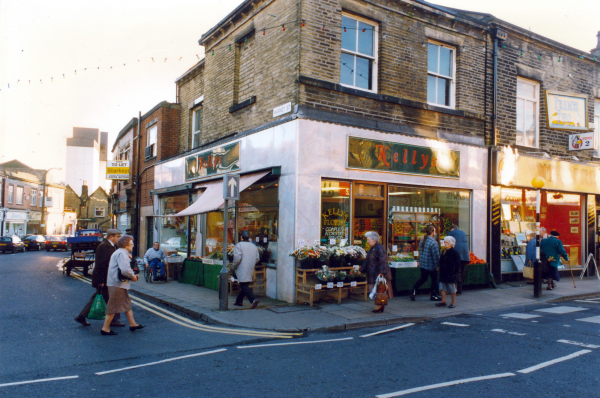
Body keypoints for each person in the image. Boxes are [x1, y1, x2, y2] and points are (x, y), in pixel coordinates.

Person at [74, 229, 124, 327]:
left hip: (109, 277)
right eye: (118, 236)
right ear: (111, 237)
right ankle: (113, 320)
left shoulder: (113, 246)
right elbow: (101, 264)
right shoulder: (103, 247)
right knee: (111, 298)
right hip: (104, 278)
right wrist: (101, 280)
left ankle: (81, 317)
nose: (119, 238)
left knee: (103, 297)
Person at [101, 235, 145, 335]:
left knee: (126, 304)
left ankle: (133, 324)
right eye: (131, 244)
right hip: (117, 284)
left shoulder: (120, 252)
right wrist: (133, 277)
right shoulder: (122, 254)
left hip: (117, 283)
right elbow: (125, 270)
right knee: (112, 307)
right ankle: (105, 328)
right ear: (125, 244)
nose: (133, 246)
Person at [360, 231, 392, 313]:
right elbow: (367, 261)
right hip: (373, 273)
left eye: (368, 239)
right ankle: (380, 305)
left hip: (377, 273)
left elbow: (383, 260)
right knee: (374, 290)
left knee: (379, 290)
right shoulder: (372, 248)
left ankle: (380, 306)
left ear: (373, 239)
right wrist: (361, 270)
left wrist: (381, 272)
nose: (367, 241)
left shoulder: (379, 248)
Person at [410, 225, 441, 302]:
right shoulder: (434, 242)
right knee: (434, 280)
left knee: (423, 279)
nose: (435, 232)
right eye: (435, 231)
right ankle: (433, 295)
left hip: (423, 264)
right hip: (431, 265)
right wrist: (437, 265)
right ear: (432, 232)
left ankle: (413, 290)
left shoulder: (422, 241)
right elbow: (436, 256)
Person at [232, 230, 261, 309]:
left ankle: (253, 299)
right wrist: (251, 263)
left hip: (241, 267)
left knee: (243, 285)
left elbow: (237, 258)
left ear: (241, 237)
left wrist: (233, 267)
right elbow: (257, 258)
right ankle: (239, 301)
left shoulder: (239, 245)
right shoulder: (254, 246)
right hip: (250, 267)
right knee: (245, 285)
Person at [436, 236, 461, 308]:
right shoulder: (443, 251)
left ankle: (453, 302)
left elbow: (457, 264)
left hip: (451, 272)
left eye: (447, 242)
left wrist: (455, 272)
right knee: (442, 287)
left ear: (451, 244)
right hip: (443, 272)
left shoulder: (454, 252)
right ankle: (443, 301)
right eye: (445, 242)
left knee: (452, 288)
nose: (445, 244)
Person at [447, 224, 470, 294]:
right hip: (465, 255)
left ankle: (458, 289)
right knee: (463, 271)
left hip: (457, 255)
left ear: (452, 229)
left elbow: (447, 242)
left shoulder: (451, 232)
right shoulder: (463, 232)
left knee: (458, 272)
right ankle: (460, 287)